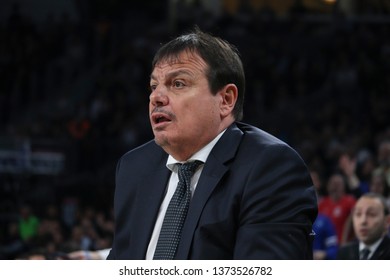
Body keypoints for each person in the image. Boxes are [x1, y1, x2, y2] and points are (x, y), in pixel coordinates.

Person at [107, 27, 318, 260]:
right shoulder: (134, 167)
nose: (156, 97)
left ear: (226, 100)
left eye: (178, 83)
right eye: (154, 86)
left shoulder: (270, 167)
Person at [337, 193, 390, 260]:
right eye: (358, 214)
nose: (363, 221)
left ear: (387, 221)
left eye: (371, 214)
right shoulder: (344, 252)